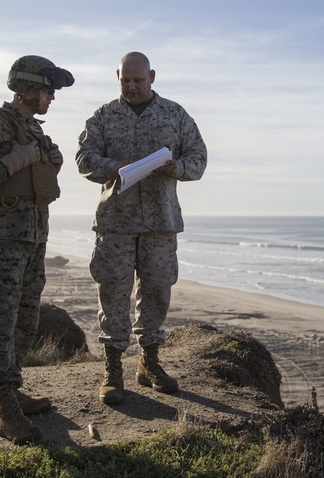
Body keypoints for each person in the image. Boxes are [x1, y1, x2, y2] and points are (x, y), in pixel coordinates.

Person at [0, 55, 74, 445]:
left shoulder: (33, 131)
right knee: (0, 320)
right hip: (2, 239)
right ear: (25, 88)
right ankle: (5, 407)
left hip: (33, 237)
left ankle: (9, 390)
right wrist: (14, 159)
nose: (51, 96)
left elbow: (46, 173)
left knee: (25, 318)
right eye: (46, 89)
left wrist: (45, 157)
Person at [75, 51, 207, 405]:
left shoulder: (174, 115)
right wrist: (115, 166)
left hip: (160, 223)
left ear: (152, 76)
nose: (132, 87)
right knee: (114, 293)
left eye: (138, 80)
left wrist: (176, 167)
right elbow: (84, 159)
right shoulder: (103, 117)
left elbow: (199, 157)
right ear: (118, 76)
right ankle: (113, 369)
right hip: (115, 223)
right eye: (125, 81)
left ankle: (149, 363)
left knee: (157, 292)